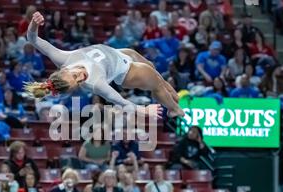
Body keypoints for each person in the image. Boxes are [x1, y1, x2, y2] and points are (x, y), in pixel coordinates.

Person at [24, 12, 184, 119]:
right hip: (127, 71)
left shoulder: (63, 58)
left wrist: (33, 23)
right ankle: (175, 109)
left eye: (74, 75)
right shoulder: (95, 83)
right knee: (155, 83)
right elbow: (120, 101)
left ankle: (172, 95)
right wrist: (143, 110)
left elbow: (33, 39)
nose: (81, 77)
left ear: (65, 69)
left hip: (120, 54)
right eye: (78, 82)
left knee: (153, 70)